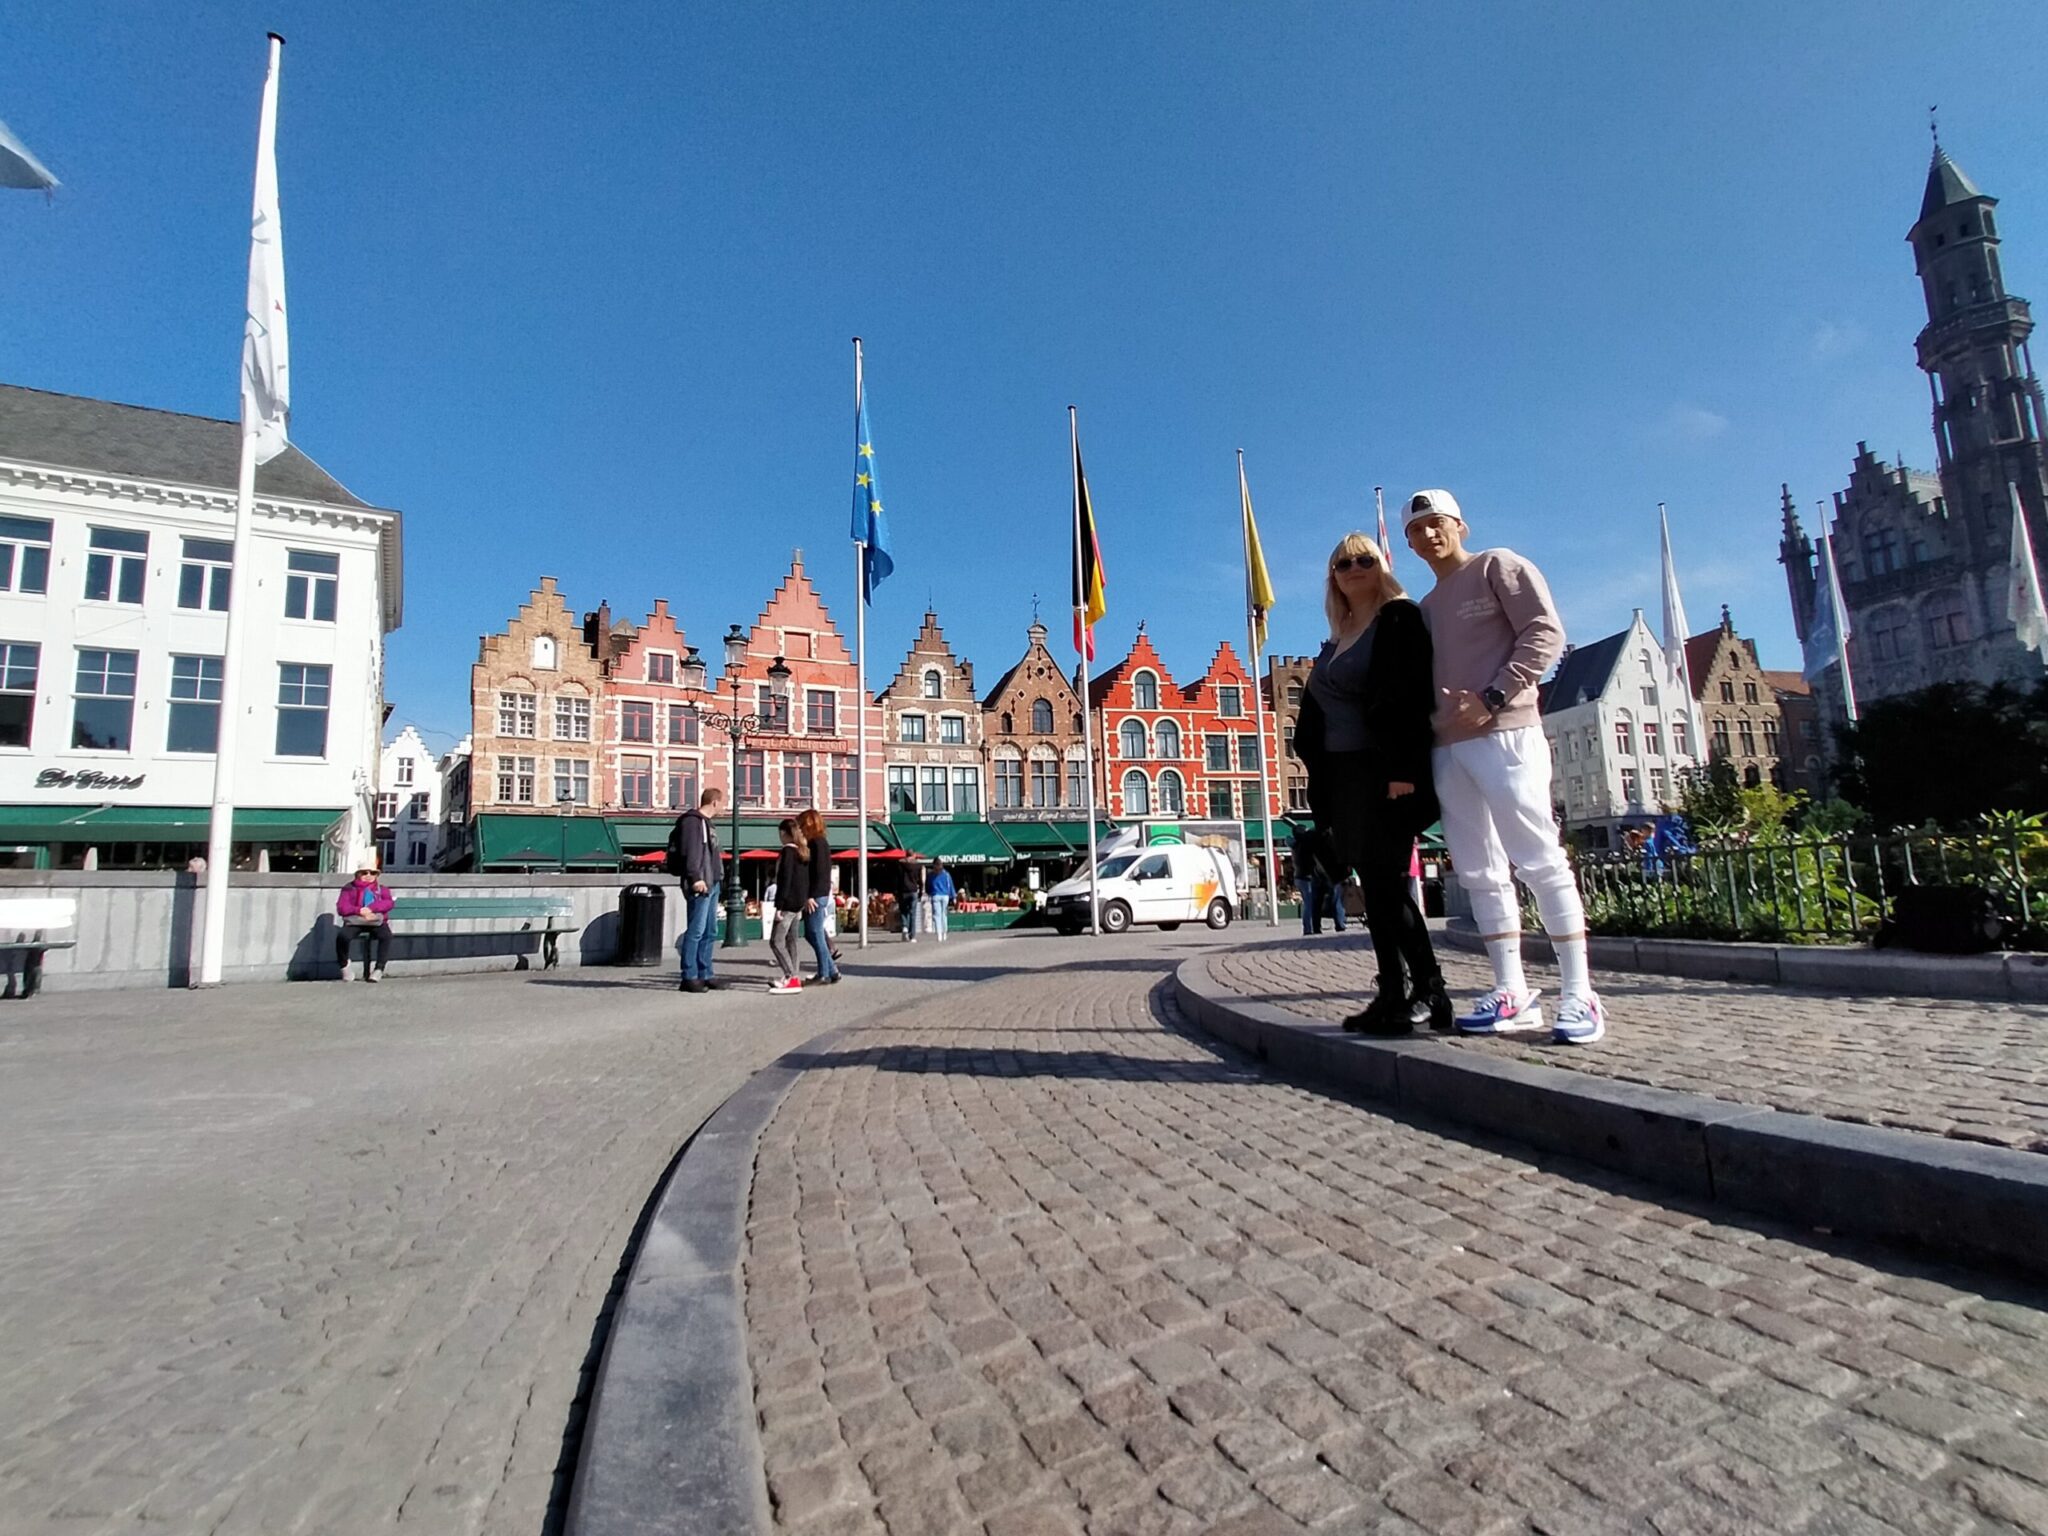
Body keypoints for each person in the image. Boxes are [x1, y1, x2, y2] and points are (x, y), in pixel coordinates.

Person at [1405, 488, 1602, 1043]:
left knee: (1539, 858)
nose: (1428, 536)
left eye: (1436, 523)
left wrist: (1493, 696)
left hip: (1506, 732)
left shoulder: (1498, 565)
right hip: (1449, 747)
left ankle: (1579, 993)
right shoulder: (1426, 607)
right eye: (1417, 530)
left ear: (1459, 525)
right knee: (1480, 871)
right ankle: (1510, 988)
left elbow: (1544, 631)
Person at [1296, 531, 1448, 1035]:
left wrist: (1403, 771)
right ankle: (1401, 992)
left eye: (1365, 560)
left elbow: (1409, 694)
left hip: (1383, 771)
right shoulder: (1338, 634)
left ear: (1381, 566)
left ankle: (1418, 993)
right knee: (1378, 891)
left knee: (1386, 890)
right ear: (1333, 578)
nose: (1354, 568)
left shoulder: (1398, 618)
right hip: (1343, 777)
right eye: (1343, 563)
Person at [669, 786, 725, 993]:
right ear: (715, 802)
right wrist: (695, 877)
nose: (724, 807)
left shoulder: (707, 824)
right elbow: (691, 851)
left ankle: (705, 973)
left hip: (712, 881)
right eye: (723, 802)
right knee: (696, 930)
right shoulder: (693, 822)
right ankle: (689, 975)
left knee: (710, 931)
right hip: (701, 882)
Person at [796, 808, 841, 984]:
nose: (799, 828)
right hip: (820, 893)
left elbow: (818, 873)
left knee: (815, 933)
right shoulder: (820, 842)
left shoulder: (816, 843)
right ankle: (832, 970)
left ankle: (824, 973)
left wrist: (811, 896)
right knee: (814, 933)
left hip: (816, 895)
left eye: (801, 824)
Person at [334, 859, 395, 982]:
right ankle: (344, 965)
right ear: (358, 874)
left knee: (386, 936)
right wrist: (359, 910)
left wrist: (370, 908)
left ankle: (379, 969)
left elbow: (388, 903)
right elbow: (342, 907)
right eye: (364, 873)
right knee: (343, 937)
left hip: (375, 921)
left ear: (377, 875)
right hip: (356, 921)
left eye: (372, 873)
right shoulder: (349, 888)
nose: (368, 876)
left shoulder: (381, 889)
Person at [766, 818, 807, 994]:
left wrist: (779, 905)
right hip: (798, 902)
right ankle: (794, 974)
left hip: (788, 903)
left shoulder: (787, 853)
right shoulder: (803, 852)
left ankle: (791, 977)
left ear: (783, 833)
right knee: (792, 940)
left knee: (776, 941)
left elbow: (785, 880)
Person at [926, 859, 955, 942]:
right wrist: (953, 895)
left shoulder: (931, 875)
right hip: (945, 895)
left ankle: (939, 934)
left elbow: (928, 885)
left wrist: (929, 893)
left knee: (937, 916)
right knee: (943, 915)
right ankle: (944, 933)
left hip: (935, 895)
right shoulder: (946, 874)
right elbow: (950, 885)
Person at [896, 857, 922, 941]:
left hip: (903, 891)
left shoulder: (900, 866)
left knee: (903, 910)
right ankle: (912, 936)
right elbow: (921, 880)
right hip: (913, 891)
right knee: (913, 913)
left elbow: (898, 879)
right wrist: (921, 891)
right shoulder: (918, 866)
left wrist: (896, 891)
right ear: (913, 855)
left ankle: (904, 926)